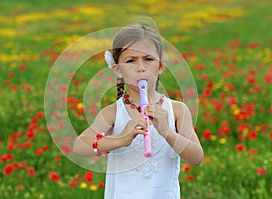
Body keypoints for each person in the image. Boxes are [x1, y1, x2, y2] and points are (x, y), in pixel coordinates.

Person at [73, 19, 204, 199]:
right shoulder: (112, 113)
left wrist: (168, 132)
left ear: (160, 66)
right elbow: (80, 146)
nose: (141, 67)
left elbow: (197, 157)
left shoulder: (177, 110)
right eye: (131, 60)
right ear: (118, 69)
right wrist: (121, 139)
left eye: (148, 59)